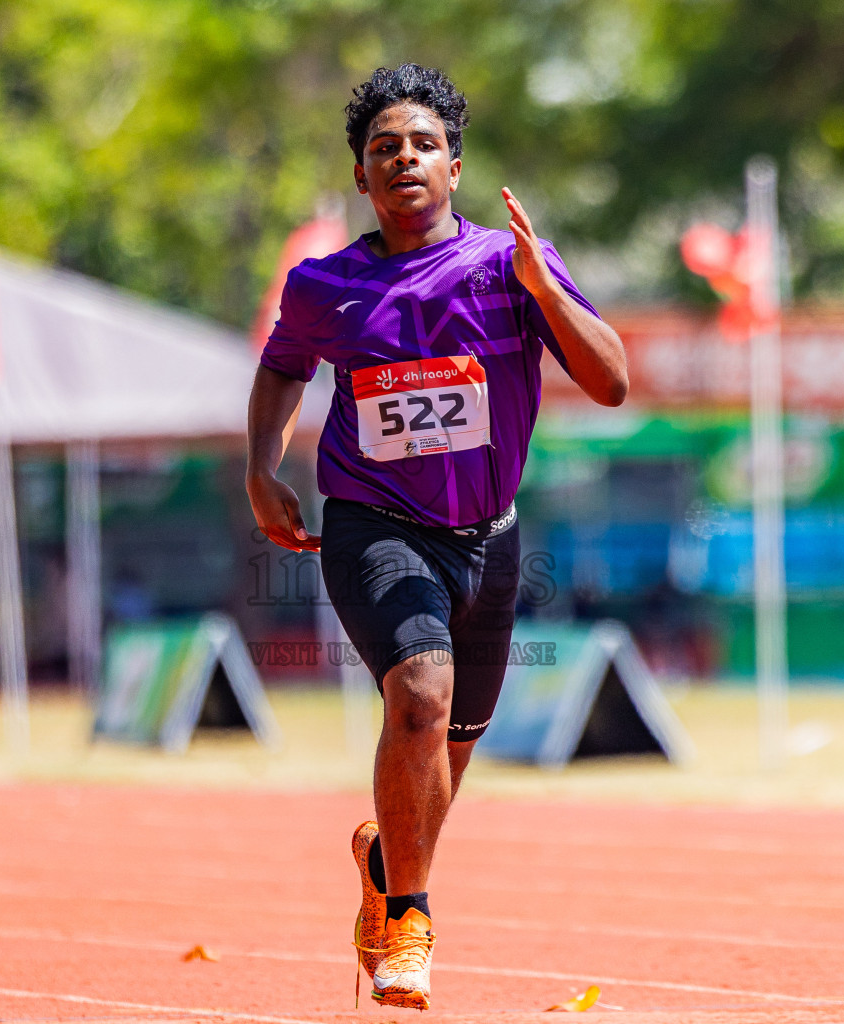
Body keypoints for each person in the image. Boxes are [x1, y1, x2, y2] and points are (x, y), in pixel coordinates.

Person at [245, 63, 627, 1010]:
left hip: (490, 541)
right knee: (418, 697)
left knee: (446, 753)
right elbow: (284, 368)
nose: (405, 158)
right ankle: (409, 923)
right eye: (385, 148)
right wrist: (262, 466)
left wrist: (547, 291)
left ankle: (386, 862)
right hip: (374, 523)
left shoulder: (510, 265)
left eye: (424, 144)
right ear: (362, 176)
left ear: (455, 167)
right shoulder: (324, 286)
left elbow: (612, 382)